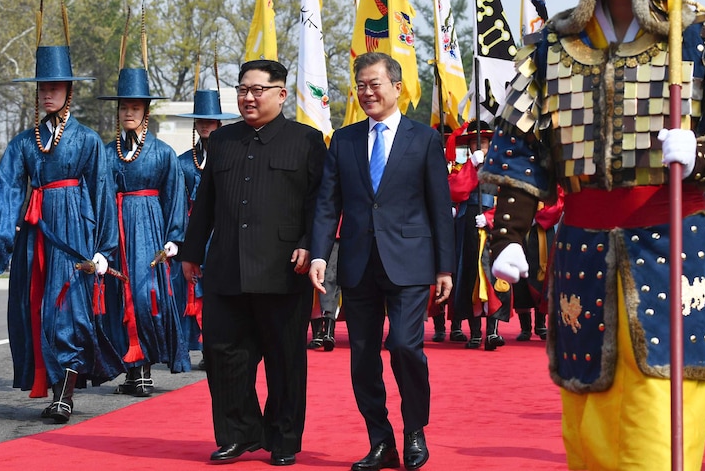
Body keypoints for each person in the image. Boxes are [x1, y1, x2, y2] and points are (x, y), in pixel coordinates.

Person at [481, 0, 705, 469]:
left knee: (658, 417)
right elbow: (520, 149)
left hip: (671, 244)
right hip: (581, 246)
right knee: (587, 420)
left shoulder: (698, 35)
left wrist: (704, 153)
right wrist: (509, 234)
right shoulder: (550, 45)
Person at [309, 52, 455, 471]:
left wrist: (445, 267)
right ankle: (380, 440)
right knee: (362, 355)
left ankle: (414, 431)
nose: (368, 92)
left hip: (410, 261)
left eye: (375, 84)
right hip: (357, 263)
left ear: (396, 86)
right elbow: (326, 204)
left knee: (406, 346)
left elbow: (439, 205)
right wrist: (321, 254)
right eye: (361, 85)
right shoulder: (345, 139)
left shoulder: (424, 139)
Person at [181, 59, 326, 467]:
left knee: (285, 362)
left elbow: (320, 203)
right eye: (242, 89)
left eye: (257, 89)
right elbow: (205, 202)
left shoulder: (307, 140)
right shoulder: (224, 141)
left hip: (284, 269)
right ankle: (238, 434)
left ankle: (283, 439)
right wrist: (192, 252)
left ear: (281, 94)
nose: (248, 97)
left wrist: (308, 244)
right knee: (222, 356)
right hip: (226, 268)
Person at [0, 43, 124, 424]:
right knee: (38, 311)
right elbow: (8, 186)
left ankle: (65, 397)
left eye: (55, 87)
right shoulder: (25, 142)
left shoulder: (88, 140)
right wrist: (0, 234)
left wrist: (103, 248)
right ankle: (53, 383)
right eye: (42, 87)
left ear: (69, 91)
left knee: (69, 312)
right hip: (35, 235)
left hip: (74, 233)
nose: (47, 93)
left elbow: (102, 192)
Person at [99, 67, 190, 397]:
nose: (128, 113)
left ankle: (146, 366)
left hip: (150, 231)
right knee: (117, 298)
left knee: (145, 297)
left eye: (135, 108)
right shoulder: (106, 154)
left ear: (145, 112)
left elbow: (174, 197)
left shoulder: (164, 153)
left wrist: (173, 238)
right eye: (123, 108)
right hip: (114, 232)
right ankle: (130, 370)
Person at [171, 88, 239, 368]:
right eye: (200, 120)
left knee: (221, 290)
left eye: (210, 121)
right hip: (193, 229)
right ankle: (190, 347)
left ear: (219, 123)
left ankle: (222, 346)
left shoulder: (231, 156)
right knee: (190, 290)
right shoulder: (183, 161)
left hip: (223, 230)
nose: (205, 125)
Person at [450, 121, 511, 350]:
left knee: (493, 276)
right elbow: (456, 190)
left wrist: (491, 218)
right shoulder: (462, 168)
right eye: (475, 143)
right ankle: (475, 332)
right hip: (467, 226)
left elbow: (510, 201)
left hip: (493, 226)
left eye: (483, 143)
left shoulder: (501, 169)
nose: (478, 147)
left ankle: (493, 332)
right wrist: (471, 166)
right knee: (469, 276)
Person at [513, 190, 564, 342]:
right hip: (521, 228)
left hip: (542, 229)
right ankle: (525, 327)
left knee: (542, 275)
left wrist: (538, 217)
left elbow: (559, 200)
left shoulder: (549, 178)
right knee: (520, 277)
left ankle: (540, 324)